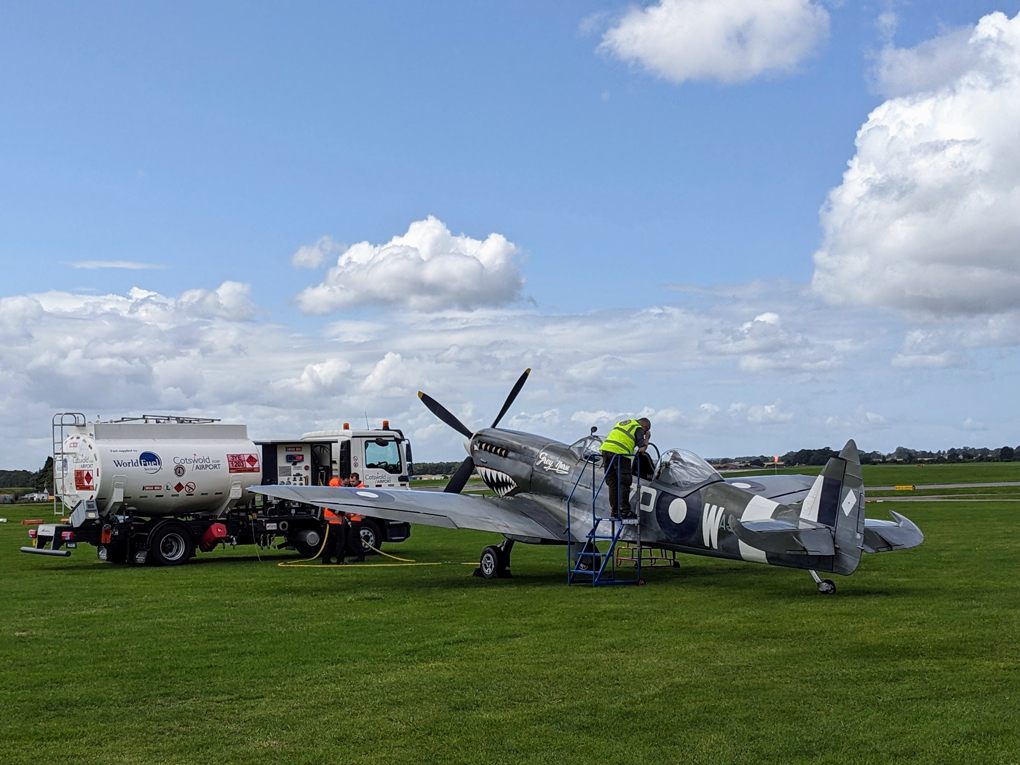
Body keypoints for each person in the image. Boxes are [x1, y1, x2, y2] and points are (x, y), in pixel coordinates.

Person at [599, 417, 651, 520]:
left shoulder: (623, 423)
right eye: (645, 431)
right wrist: (647, 438)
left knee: (612, 483)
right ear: (644, 426)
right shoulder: (638, 428)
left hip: (606, 451)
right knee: (624, 482)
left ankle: (614, 511)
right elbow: (642, 449)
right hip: (620, 454)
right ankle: (625, 511)